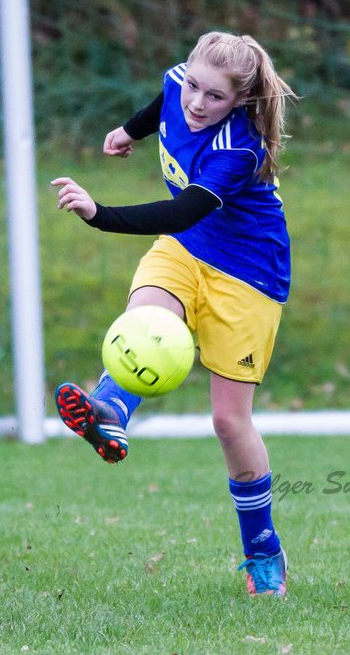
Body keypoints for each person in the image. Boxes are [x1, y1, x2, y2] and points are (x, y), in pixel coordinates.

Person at [51, 31, 297, 597]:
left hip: (250, 275)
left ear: (237, 100)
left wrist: (99, 213)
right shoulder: (175, 87)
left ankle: (264, 552)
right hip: (186, 251)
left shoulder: (241, 150)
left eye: (214, 97)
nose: (196, 103)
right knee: (147, 320)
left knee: (228, 423)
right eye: (193, 86)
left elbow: (184, 209)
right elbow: (159, 105)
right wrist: (125, 132)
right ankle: (109, 408)